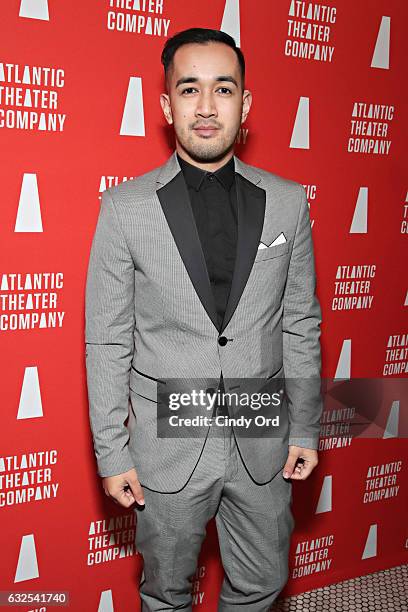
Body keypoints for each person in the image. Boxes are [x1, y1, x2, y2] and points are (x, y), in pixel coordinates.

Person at [85, 27, 323, 611]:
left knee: (262, 583)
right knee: (165, 593)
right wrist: (113, 450)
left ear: (246, 103)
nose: (208, 106)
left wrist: (306, 426)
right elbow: (108, 338)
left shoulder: (289, 201)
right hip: (168, 441)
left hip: (262, 432)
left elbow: (301, 322)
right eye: (189, 89)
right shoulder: (124, 209)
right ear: (167, 106)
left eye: (224, 88)